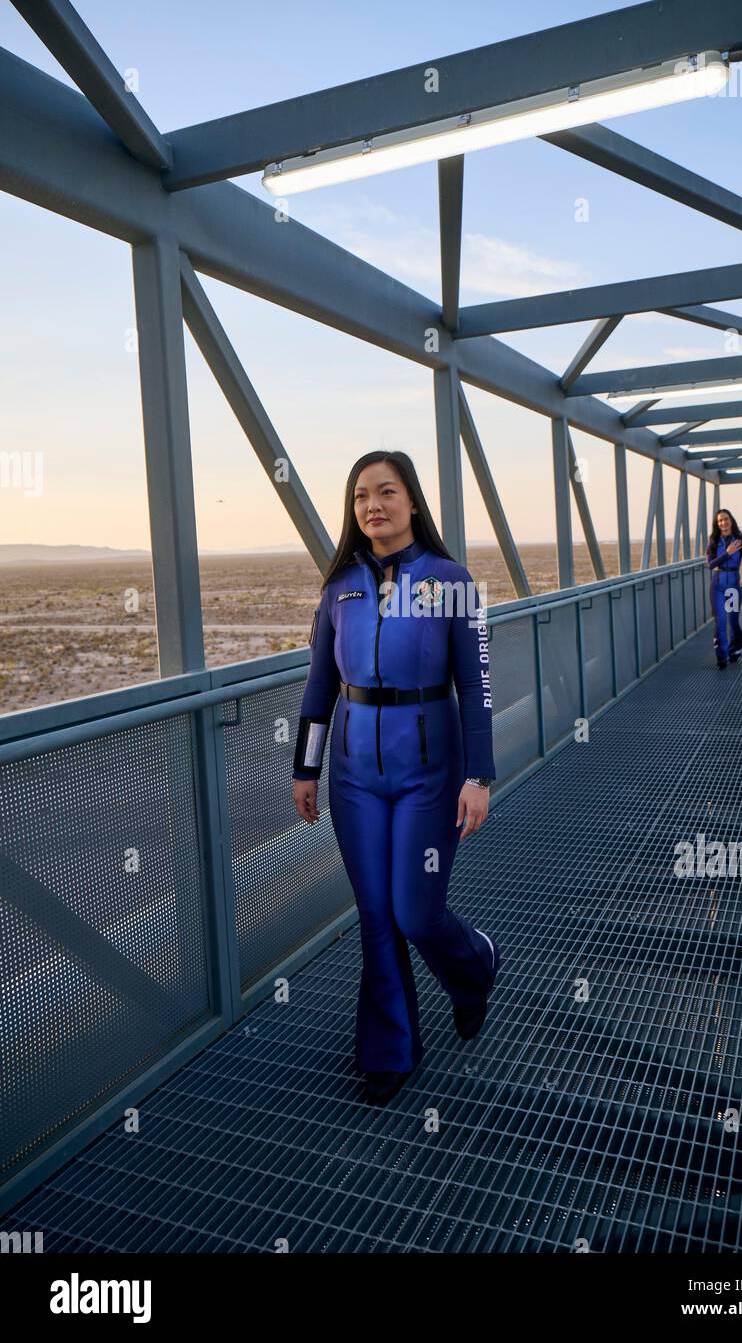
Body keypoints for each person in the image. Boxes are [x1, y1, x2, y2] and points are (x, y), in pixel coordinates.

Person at [291, 450, 501, 1105]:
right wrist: (306, 767)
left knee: (416, 912)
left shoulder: (450, 580)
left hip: (429, 775)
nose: (372, 506)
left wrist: (480, 776)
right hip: (353, 778)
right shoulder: (340, 589)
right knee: (376, 915)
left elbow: (477, 685)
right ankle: (388, 1048)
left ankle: (476, 967)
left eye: (386, 492)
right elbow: (319, 687)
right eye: (360, 497)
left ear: (412, 502)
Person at [706, 508, 742, 668]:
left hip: (733, 585)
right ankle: (721, 656)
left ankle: (735, 649)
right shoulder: (713, 540)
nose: (723, 522)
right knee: (720, 620)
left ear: (730, 520)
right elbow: (710, 564)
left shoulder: (739, 540)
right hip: (718, 585)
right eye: (720, 521)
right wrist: (727, 553)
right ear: (717, 524)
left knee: (732, 620)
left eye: (725, 519)